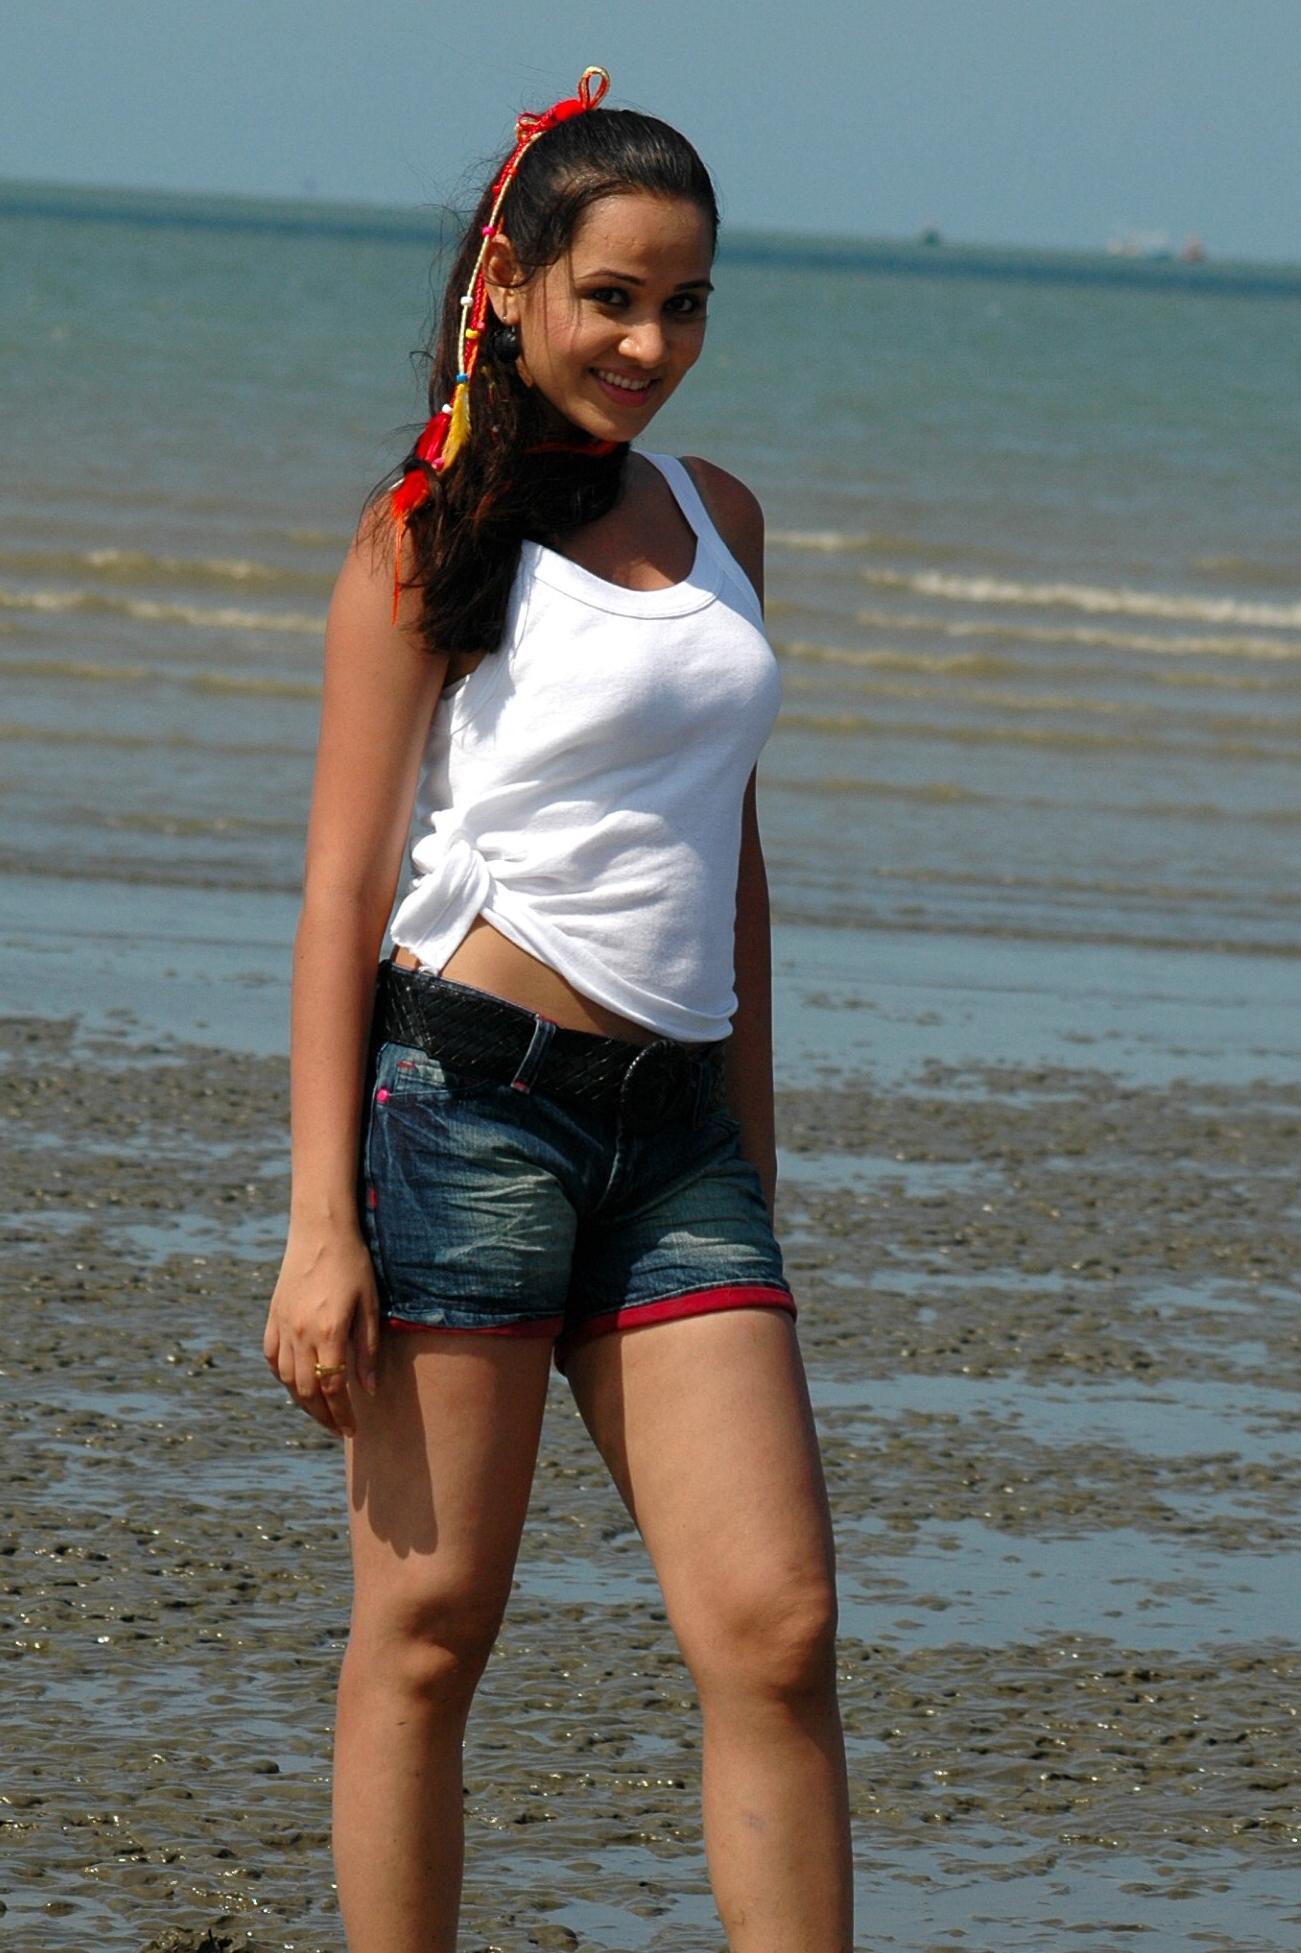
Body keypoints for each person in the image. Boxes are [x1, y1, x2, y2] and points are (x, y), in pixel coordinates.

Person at [263, 67, 852, 1953]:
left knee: (775, 1627)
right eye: (610, 297)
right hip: (467, 1111)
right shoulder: (425, 537)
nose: (648, 344)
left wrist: (750, 1152)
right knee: (429, 1634)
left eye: (683, 303)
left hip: (677, 1142)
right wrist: (319, 1226)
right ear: (509, 285)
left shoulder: (719, 513)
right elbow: (342, 892)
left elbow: (728, 855)